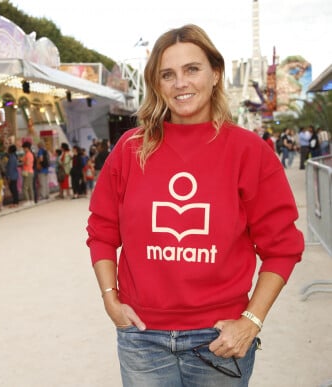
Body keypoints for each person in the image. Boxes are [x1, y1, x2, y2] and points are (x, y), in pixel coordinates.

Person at [86, 24, 304, 387]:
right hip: (142, 338)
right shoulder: (130, 148)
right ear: (156, 84)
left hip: (219, 339)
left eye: (192, 69)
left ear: (215, 73)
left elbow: (282, 248)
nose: (180, 83)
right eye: (167, 74)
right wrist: (110, 298)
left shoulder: (249, 152)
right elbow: (102, 230)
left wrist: (251, 321)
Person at [21, 141, 35, 205]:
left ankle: (27, 200)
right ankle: (32, 200)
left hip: (27, 171)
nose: (23, 149)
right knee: (30, 187)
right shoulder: (29, 154)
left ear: (27, 148)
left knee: (24, 187)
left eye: (24, 148)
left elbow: (27, 163)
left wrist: (22, 161)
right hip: (30, 171)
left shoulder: (28, 154)